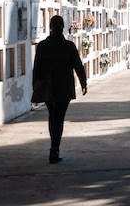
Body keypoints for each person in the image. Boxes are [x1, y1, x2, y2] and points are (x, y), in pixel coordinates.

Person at [32, 15, 87, 164]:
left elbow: (36, 68)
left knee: (52, 116)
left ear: (50, 27)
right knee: (59, 119)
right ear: (63, 27)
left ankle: (53, 148)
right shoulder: (68, 46)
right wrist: (83, 83)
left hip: (48, 87)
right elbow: (78, 65)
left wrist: (35, 90)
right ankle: (54, 150)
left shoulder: (43, 45)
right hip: (64, 88)